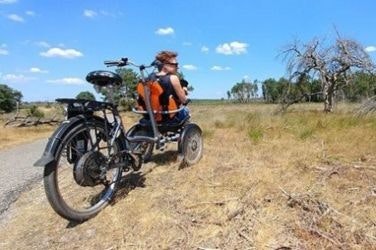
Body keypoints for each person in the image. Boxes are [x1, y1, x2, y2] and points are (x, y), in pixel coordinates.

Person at [152, 50, 190, 123]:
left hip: (151, 117)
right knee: (186, 110)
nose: (177, 67)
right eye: (175, 65)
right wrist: (184, 89)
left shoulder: (148, 78)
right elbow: (184, 101)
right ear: (165, 65)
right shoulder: (173, 78)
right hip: (168, 118)